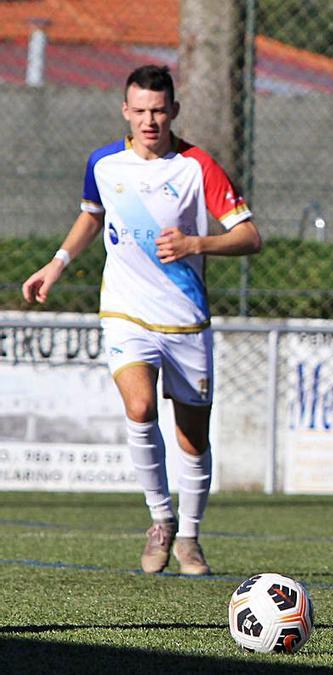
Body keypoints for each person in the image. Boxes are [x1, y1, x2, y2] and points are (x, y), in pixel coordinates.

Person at [21, 65, 262, 576]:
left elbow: (249, 236)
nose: (150, 120)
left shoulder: (198, 166)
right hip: (125, 313)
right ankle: (160, 521)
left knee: (192, 437)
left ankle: (190, 537)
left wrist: (198, 243)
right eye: (140, 110)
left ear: (173, 111)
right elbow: (92, 214)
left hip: (186, 321)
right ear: (125, 111)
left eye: (159, 110)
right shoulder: (104, 163)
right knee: (139, 406)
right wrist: (56, 264)